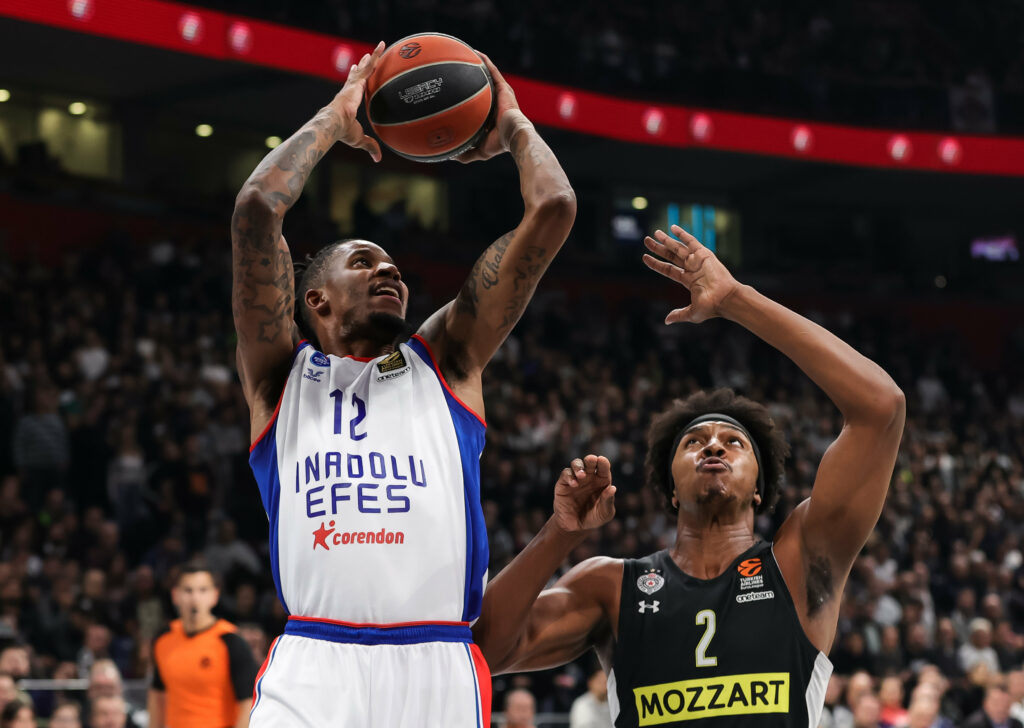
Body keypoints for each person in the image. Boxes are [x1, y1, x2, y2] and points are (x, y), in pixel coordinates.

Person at [232, 39, 575, 727]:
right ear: (316, 301)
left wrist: (510, 123)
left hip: (436, 664)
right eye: (364, 262)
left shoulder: (445, 361)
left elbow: (555, 207)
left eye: (393, 266)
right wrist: (337, 116)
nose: (389, 272)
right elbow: (256, 208)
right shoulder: (280, 379)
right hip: (315, 663)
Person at [471, 226, 906, 727]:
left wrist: (737, 300)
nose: (714, 445)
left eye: (734, 442)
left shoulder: (800, 561)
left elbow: (882, 406)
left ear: (760, 488)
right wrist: (560, 533)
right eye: (694, 442)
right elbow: (485, 650)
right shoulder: (611, 586)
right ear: (670, 488)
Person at [146, 566, 258, 728]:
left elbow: (248, 702)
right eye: (188, 590)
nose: (195, 598)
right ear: (175, 595)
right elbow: (157, 693)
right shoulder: (163, 639)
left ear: (215, 596)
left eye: (203, 590)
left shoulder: (230, 641)